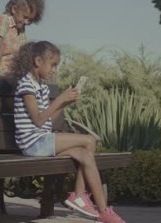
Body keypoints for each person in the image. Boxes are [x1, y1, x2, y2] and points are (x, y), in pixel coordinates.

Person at [10, 41, 126, 223]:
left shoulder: (40, 86)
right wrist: (59, 99)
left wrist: (65, 102)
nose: (54, 70)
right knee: (89, 141)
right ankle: (80, 196)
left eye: (56, 65)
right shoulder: (26, 86)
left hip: (42, 140)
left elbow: (49, 119)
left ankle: (101, 209)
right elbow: (38, 120)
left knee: (85, 155)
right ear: (38, 61)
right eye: (53, 64)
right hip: (33, 143)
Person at [0, 0, 45, 79]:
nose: (26, 22)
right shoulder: (3, 20)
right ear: (14, 9)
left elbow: (22, 53)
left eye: (30, 20)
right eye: (25, 17)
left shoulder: (20, 27)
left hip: (13, 70)